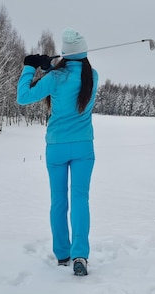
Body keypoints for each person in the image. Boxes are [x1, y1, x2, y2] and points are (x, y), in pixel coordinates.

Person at [16, 28, 98, 276]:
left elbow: (23, 96)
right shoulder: (92, 76)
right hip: (83, 146)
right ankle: (80, 255)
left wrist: (32, 66)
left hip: (56, 148)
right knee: (80, 199)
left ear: (64, 52)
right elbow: (72, 74)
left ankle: (63, 253)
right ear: (83, 52)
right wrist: (51, 66)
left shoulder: (54, 78)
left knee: (59, 200)